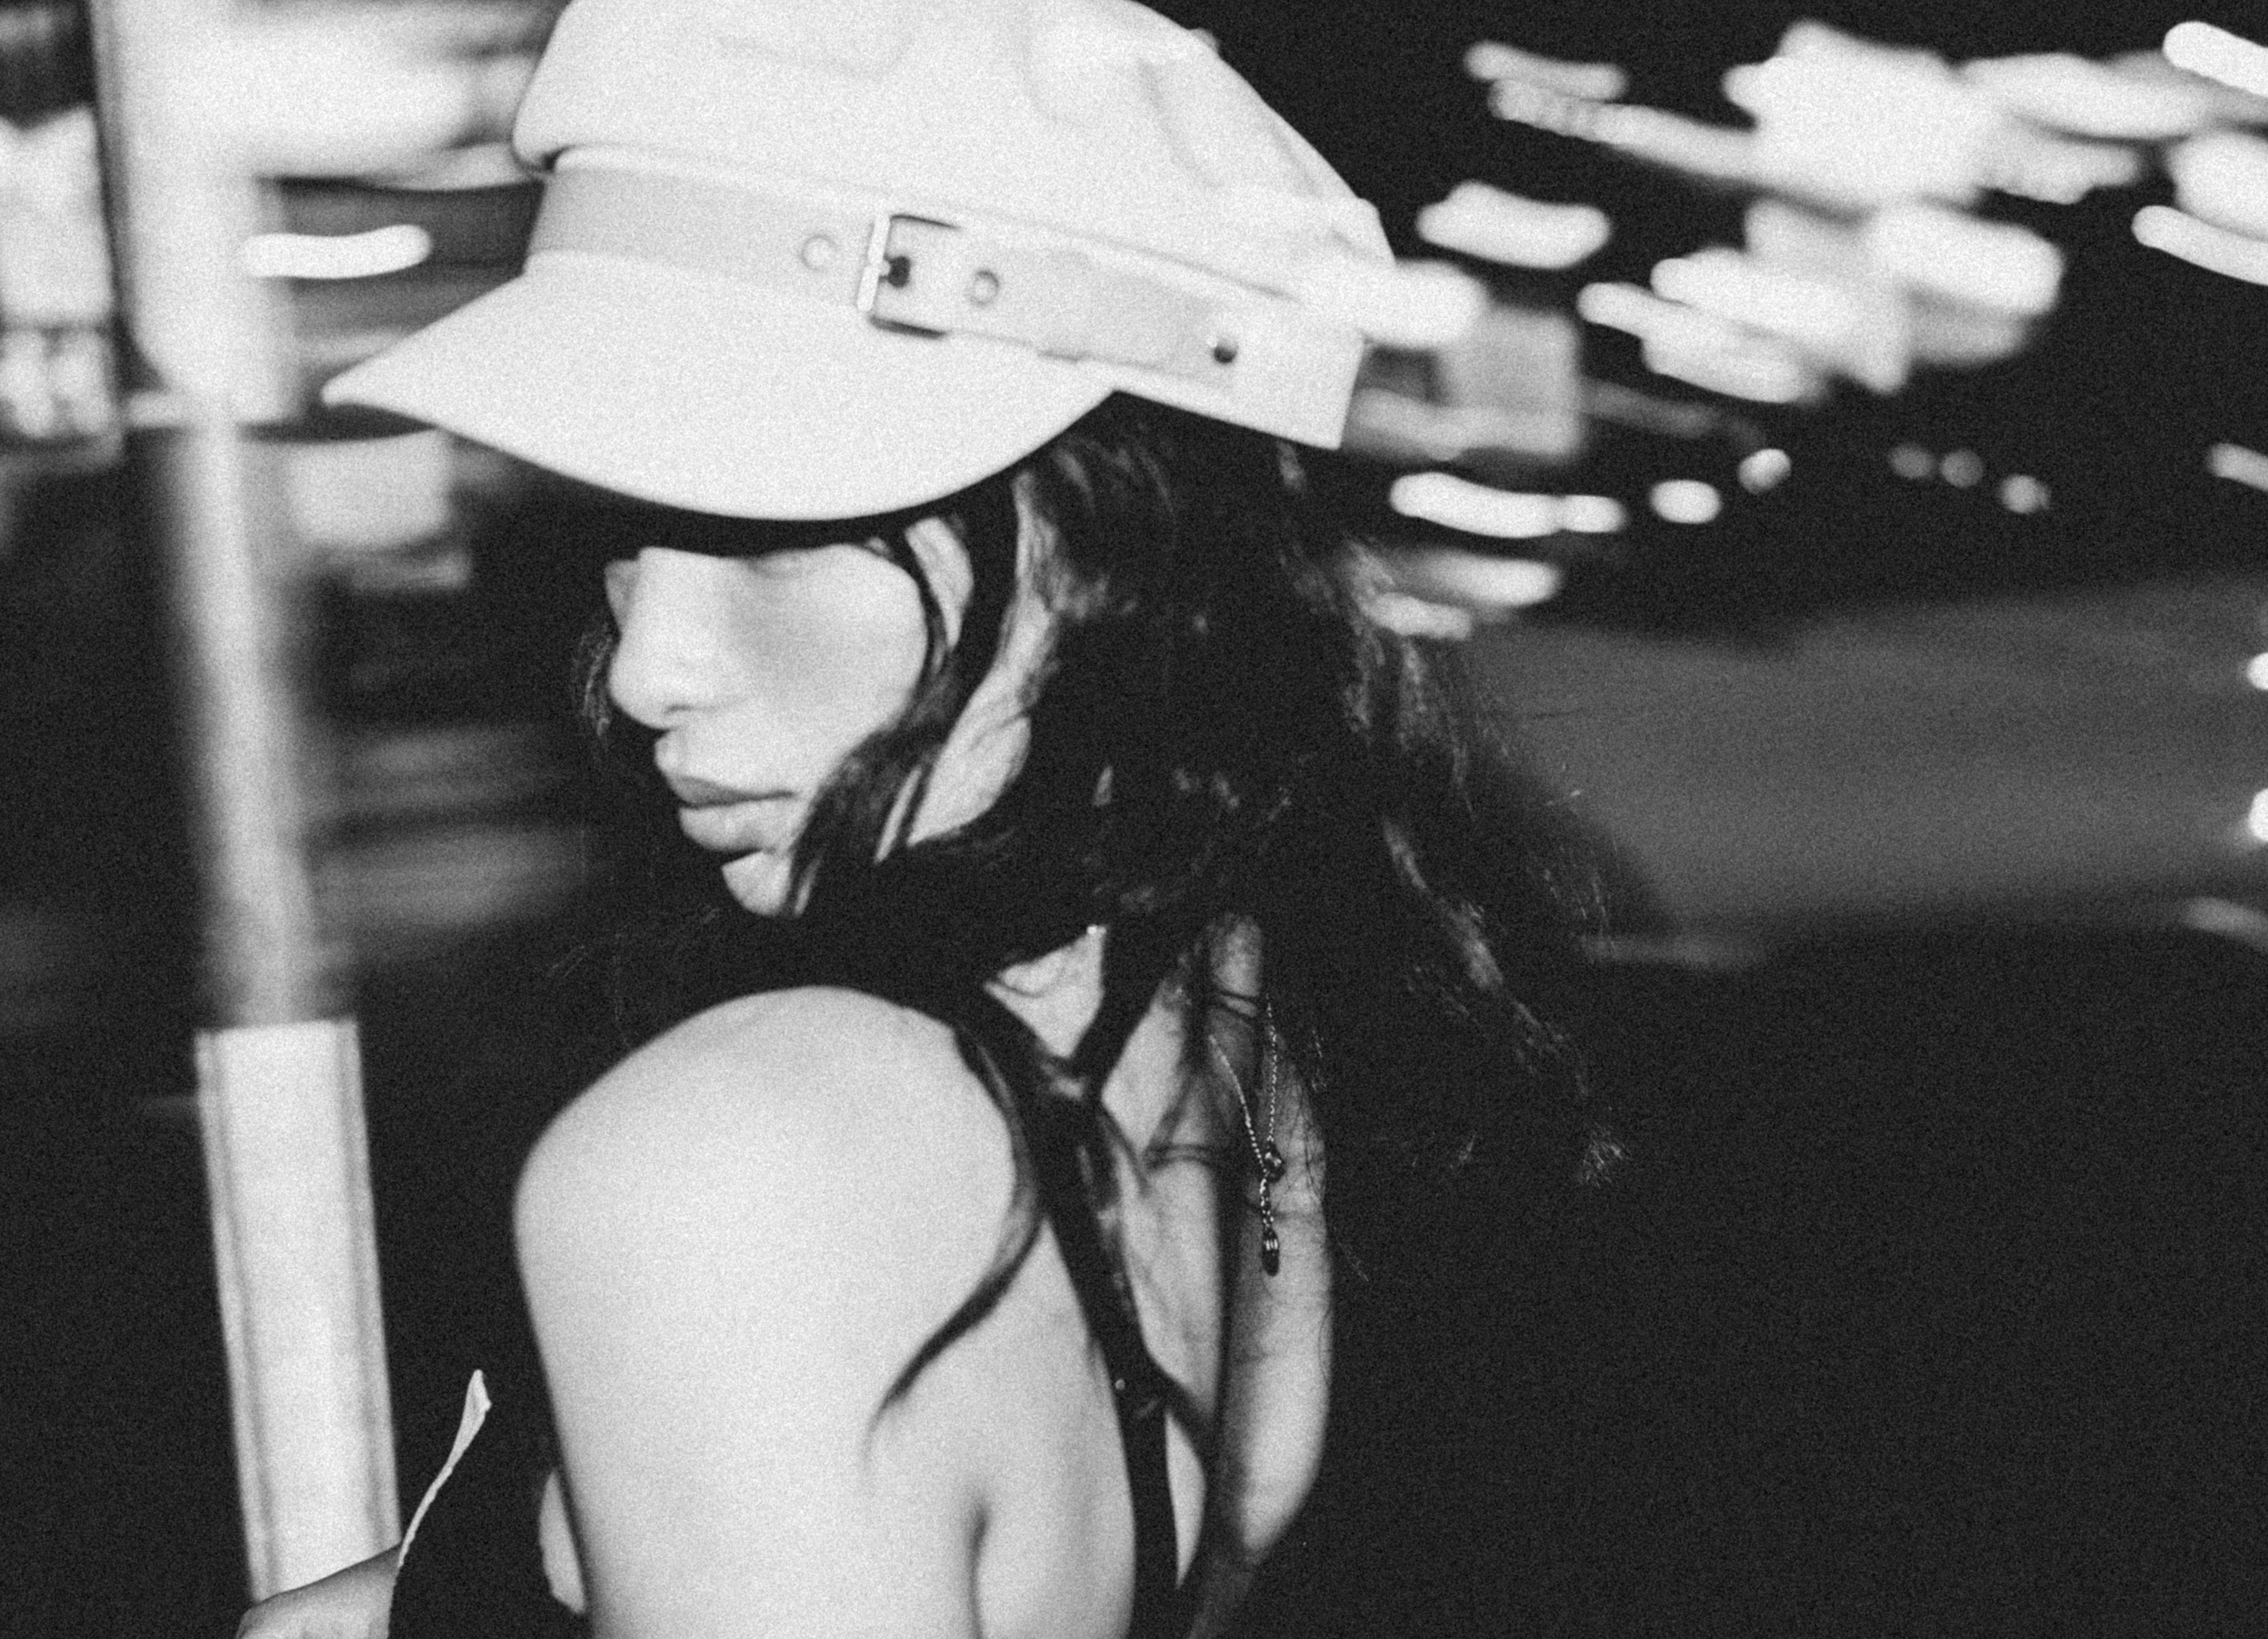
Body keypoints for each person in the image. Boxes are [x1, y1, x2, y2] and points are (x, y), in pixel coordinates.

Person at [240, 1, 1610, 1635]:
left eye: (774, 523)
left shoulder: (742, 1163)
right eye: (620, 522)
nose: (653, 662)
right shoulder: (1212, 1018)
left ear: (1099, 543)